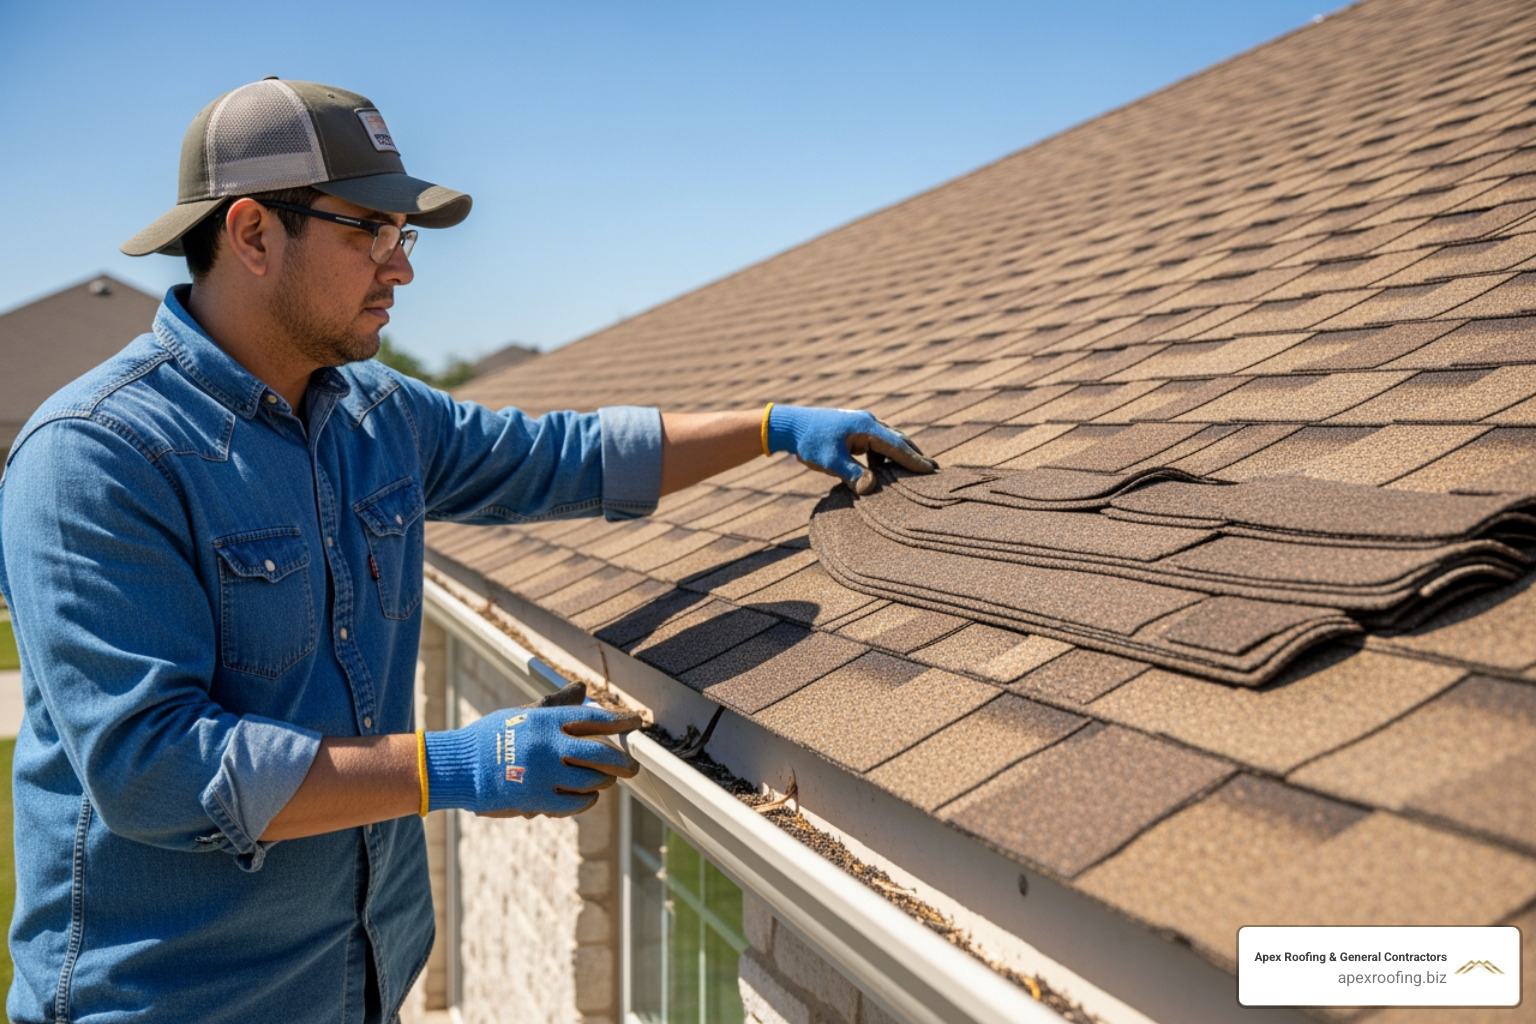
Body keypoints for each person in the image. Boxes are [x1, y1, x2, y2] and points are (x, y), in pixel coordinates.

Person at [0, 78, 935, 1024]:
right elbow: (152, 770)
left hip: (363, 980)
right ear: (251, 235)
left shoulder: (377, 419)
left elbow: (564, 458)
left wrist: (770, 427)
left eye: (405, 237)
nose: (399, 268)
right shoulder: (98, 457)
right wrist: (455, 767)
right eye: (370, 229)